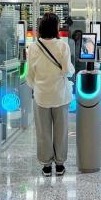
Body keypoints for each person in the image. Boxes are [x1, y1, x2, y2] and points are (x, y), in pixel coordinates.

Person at [26, 13, 75, 177]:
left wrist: (38, 87)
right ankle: (60, 164)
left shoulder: (33, 47)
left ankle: (46, 165)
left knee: (43, 131)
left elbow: (30, 74)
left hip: (41, 97)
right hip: (60, 95)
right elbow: (67, 70)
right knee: (61, 130)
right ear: (55, 27)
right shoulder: (62, 46)